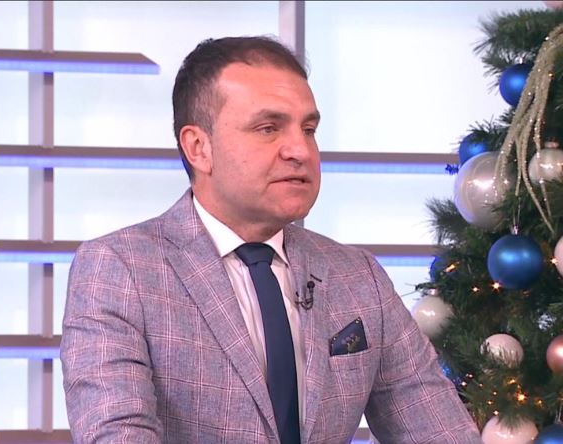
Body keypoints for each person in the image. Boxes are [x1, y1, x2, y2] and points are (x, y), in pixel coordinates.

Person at [60, 36, 482, 444]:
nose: (300, 150)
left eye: (309, 129)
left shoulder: (359, 277)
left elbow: (440, 432)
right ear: (199, 147)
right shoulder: (119, 270)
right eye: (268, 128)